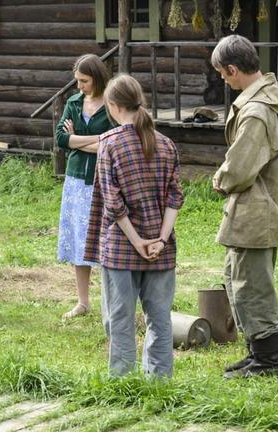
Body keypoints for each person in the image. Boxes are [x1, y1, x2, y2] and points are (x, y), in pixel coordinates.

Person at [210, 35, 278, 378]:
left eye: (223, 74)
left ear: (233, 69)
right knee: (243, 278)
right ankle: (256, 353)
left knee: (251, 284)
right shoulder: (274, 95)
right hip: (272, 204)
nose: (224, 80)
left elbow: (240, 167)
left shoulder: (256, 111)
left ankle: (267, 361)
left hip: (258, 208)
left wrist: (221, 179)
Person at [84, 74, 184, 378]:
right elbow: (175, 197)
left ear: (114, 107)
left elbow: (113, 205)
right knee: (160, 319)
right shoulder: (166, 144)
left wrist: (138, 240)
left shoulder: (110, 144)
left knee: (119, 318)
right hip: (161, 249)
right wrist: (161, 240)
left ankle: (122, 380)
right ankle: (160, 383)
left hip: (121, 248)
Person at [54, 54, 115, 321]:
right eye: (77, 81)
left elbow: (115, 142)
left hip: (103, 180)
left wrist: (77, 140)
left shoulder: (112, 104)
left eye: (84, 81)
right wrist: (96, 140)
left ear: (98, 78)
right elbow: (60, 138)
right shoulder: (74, 102)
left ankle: (111, 301)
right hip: (76, 180)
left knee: (107, 240)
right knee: (79, 238)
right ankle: (83, 302)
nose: (79, 86)